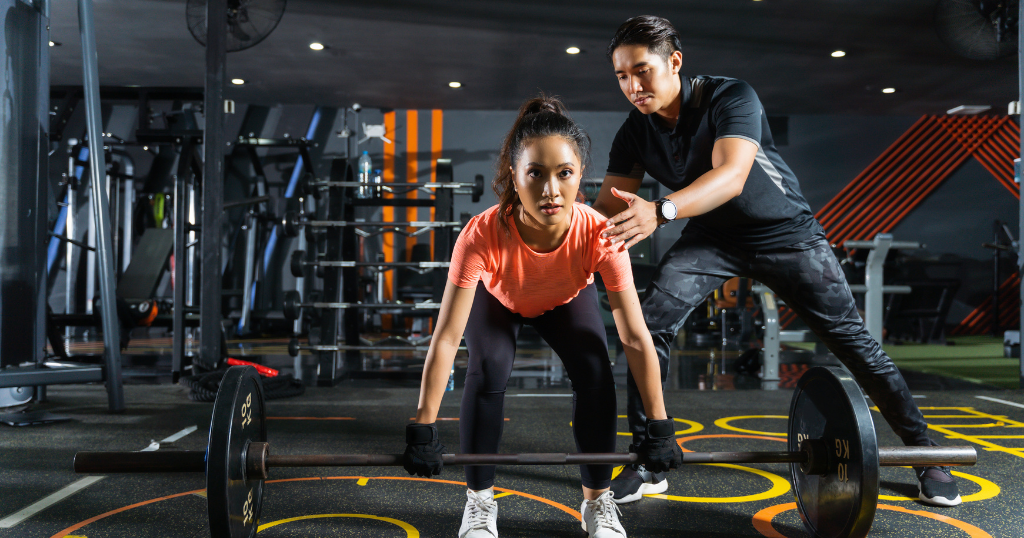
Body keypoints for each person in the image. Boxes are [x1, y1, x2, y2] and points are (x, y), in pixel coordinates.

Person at [590, 15, 961, 508]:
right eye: (621, 76)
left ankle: (925, 452)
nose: (633, 87)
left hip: (785, 233)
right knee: (646, 323)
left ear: (674, 62)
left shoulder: (730, 96)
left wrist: (661, 211)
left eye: (642, 71)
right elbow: (607, 210)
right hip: (711, 237)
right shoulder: (635, 133)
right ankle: (651, 455)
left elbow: (732, 176)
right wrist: (542, 221)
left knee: (851, 341)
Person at [402, 96, 683, 538]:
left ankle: (597, 501)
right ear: (514, 177)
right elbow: (445, 338)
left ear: (579, 178)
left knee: (595, 368)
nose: (551, 190)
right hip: (499, 299)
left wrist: (660, 424)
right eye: (535, 174)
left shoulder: (600, 235)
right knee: (487, 367)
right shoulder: (480, 235)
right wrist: (423, 425)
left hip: (565, 300)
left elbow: (634, 337)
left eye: (564, 174)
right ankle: (478, 503)